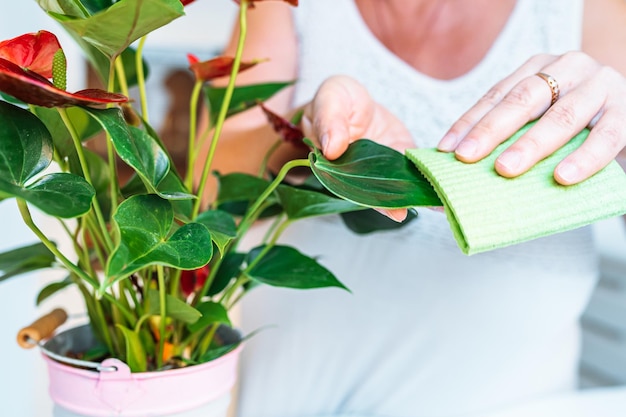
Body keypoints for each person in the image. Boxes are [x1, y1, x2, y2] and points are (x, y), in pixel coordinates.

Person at [200, 1, 626, 416]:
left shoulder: (592, 11)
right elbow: (207, 186)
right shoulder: (285, 5)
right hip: (286, 399)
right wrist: (303, 132)